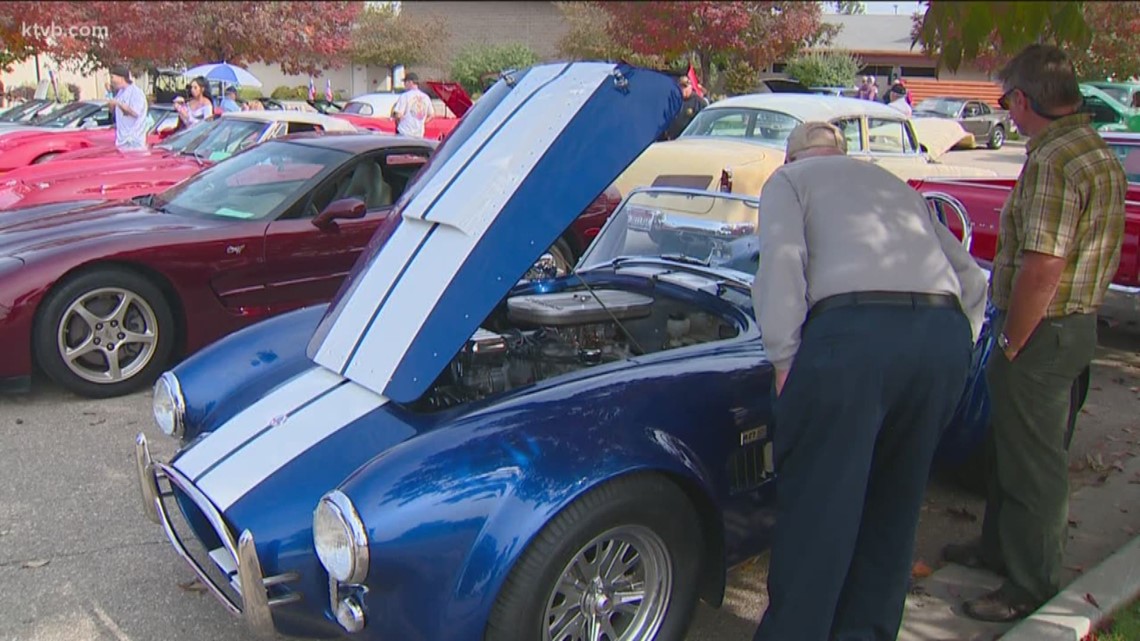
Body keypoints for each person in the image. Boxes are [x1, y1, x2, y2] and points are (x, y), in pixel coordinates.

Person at [751, 121, 987, 641]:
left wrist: (785, 360)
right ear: (842, 153)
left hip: (852, 340)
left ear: (791, 159)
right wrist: (957, 344)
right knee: (895, 506)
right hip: (941, 336)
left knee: (820, 512)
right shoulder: (893, 186)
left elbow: (783, 268)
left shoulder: (789, 184)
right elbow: (970, 276)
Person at [942, 44, 1127, 623]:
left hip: (1042, 331)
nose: (1008, 115)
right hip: (1070, 325)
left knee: (1034, 464)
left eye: (1006, 103)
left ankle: (1029, 582)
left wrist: (1012, 339)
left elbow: (1043, 263)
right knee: (1013, 450)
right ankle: (999, 549)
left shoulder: (1053, 160)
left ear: (1023, 100)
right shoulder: (1089, 147)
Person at [107, 64, 148, 151]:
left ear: (121, 78)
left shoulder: (136, 92)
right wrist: (111, 106)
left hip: (133, 142)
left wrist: (118, 103)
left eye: (112, 77)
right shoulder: (120, 92)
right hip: (121, 140)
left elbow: (135, 113)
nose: (111, 81)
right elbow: (116, 112)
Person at [660, 75, 706, 141]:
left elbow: (703, 125)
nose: (682, 89)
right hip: (672, 140)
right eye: (680, 87)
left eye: (685, 87)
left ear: (691, 87)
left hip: (689, 140)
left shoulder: (699, 102)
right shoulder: (673, 101)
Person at [391, 72, 433, 138]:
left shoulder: (405, 96)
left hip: (405, 132)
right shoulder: (426, 97)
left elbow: (398, 114)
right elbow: (431, 115)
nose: (404, 85)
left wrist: (396, 117)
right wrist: (422, 122)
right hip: (419, 134)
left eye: (405, 82)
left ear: (410, 82)